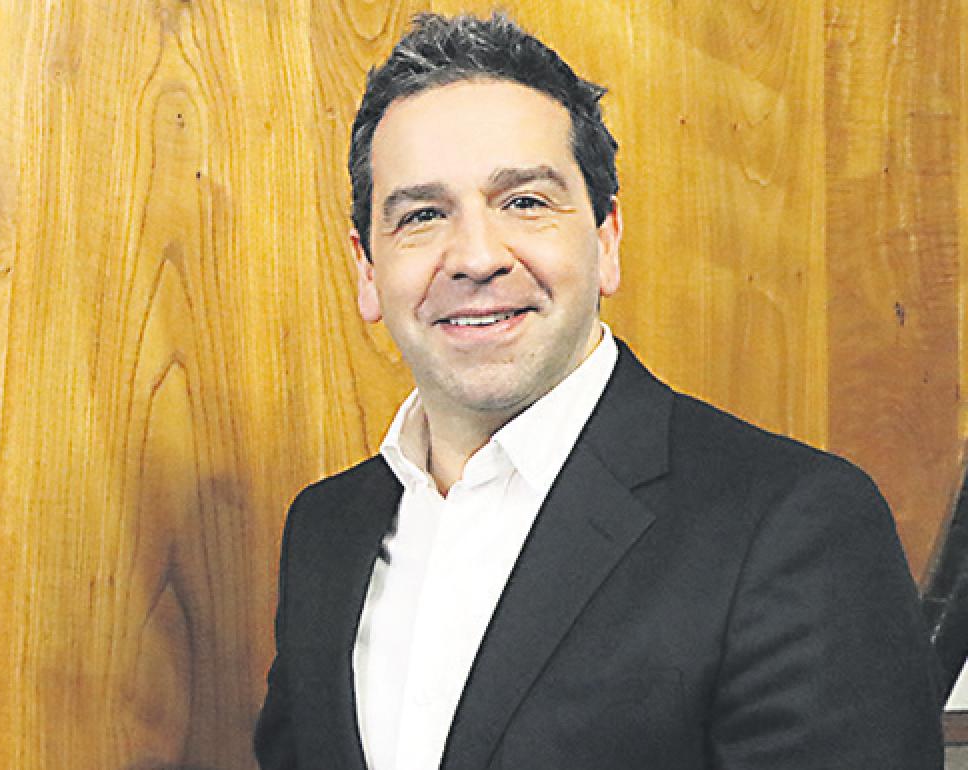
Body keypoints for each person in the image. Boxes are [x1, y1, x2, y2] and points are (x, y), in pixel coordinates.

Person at [254, 11, 943, 770]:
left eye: (525, 202)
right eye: (423, 214)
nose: (476, 257)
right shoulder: (325, 533)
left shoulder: (793, 525)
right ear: (367, 268)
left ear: (607, 239)